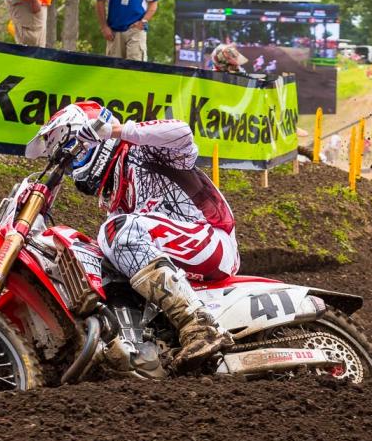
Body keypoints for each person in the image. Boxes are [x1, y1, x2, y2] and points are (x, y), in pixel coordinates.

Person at [32, 102, 236, 365]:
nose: (76, 168)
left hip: (213, 241)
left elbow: (183, 132)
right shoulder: (114, 196)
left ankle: (199, 326)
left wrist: (112, 131)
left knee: (116, 231)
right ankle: (133, 343)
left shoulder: (147, 152)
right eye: (72, 162)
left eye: (80, 153)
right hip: (182, 254)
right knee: (97, 257)